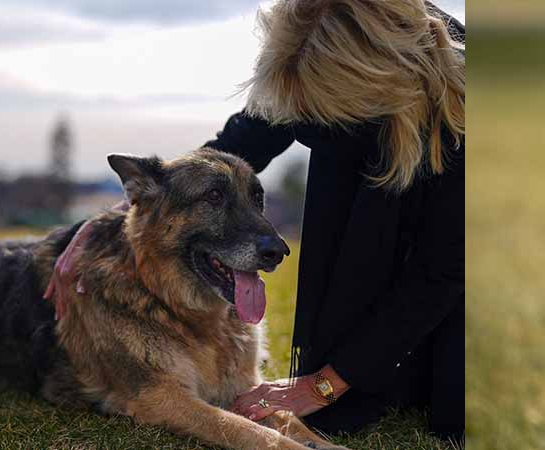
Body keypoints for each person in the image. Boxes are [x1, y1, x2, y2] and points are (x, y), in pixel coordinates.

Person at [45, 0, 464, 442]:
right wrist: (109, 219)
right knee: (352, 406)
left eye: (326, 114)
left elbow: (443, 269)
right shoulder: (306, 48)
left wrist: (322, 386)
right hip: (373, 223)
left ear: (371, 87)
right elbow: (231, 148)